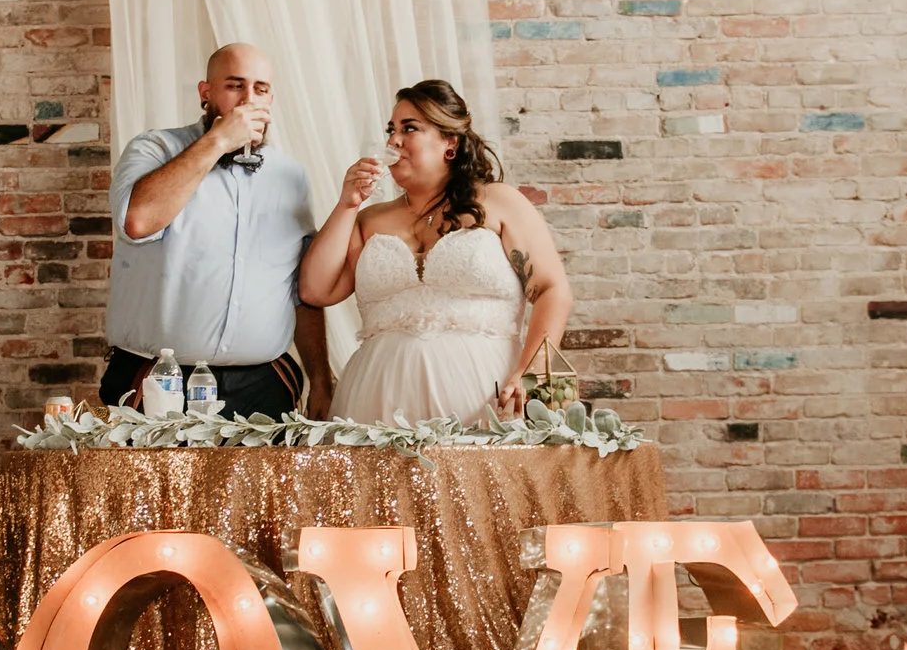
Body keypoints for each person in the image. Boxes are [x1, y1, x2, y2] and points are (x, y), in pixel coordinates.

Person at [299, 80, 571, 426]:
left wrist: (531, 373)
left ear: (450, 143)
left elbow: (552, 290)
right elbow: (315, 290)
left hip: (484, 395)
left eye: (409, 128)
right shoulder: (369, 220)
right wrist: (347, 204)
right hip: (375, 400)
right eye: (391, 130)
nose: (393, 141)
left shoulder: (499, 202)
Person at [102, 42, 332, 418]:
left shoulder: (290, 176)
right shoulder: (154, 149)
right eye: (235, 86)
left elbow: (300, 288)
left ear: (271, 99)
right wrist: (220, 140)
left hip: (265, 385)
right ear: (205, 93)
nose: (248, 100)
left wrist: (320, 380)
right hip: (158, 382)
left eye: (260, 89)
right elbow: (136, 222)